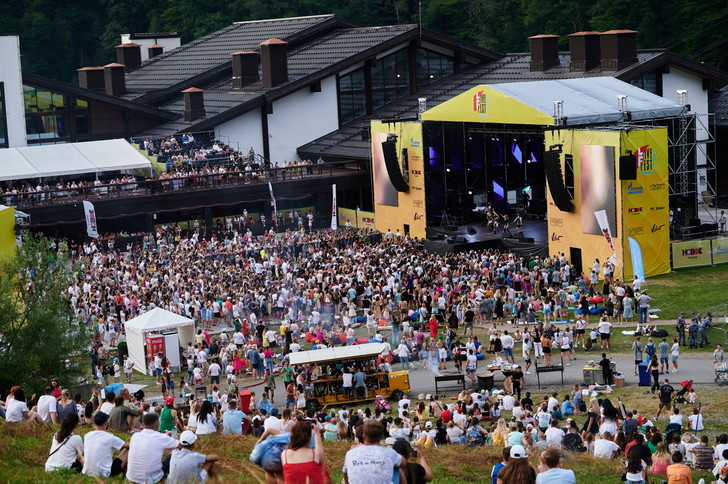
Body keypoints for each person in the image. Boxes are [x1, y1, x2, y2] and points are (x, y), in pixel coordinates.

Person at [126, 413, 180, 484]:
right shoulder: (162, 438)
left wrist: (164, 435)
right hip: (153, 479)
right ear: (157, 425)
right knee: (174, 453)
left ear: (142, 424)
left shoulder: (135, 436)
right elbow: (180, 446)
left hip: (131, 477)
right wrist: (174, 433)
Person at [82, 411, 129, 478]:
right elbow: (128, 446)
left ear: (94, 423)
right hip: (105, 474)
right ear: (106, 423)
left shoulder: (87, 436)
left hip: (87, 472)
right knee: (128, 450)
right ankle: (126, 476)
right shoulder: (110, 438)